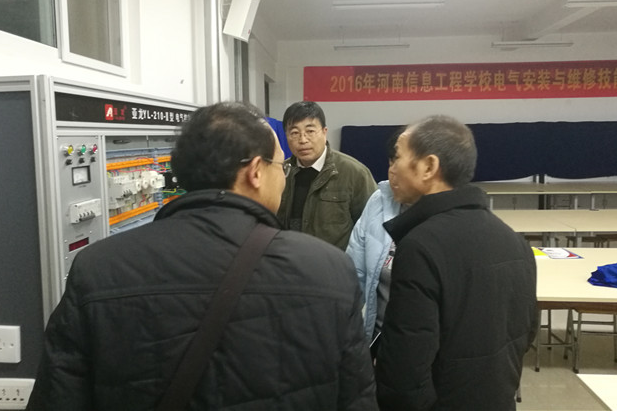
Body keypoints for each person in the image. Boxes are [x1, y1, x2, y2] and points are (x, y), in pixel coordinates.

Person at [28, 102, 376, 411]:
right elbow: (355, 398)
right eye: (278, 166)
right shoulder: (329, 271)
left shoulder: (97, 268)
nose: (283, 179)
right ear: (256, 172)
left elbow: (59, 396)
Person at [375, 115, 538, 411]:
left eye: (397, 157)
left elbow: (404, 369)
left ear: (429, 167)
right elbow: (525, 334)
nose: (392, 168)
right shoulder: (514, 241)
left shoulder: (421, 246)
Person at [277, 101, 377, 250]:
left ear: (324, 132)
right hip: (289, 260)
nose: (303, 140)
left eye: (310, 131)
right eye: (294, 133)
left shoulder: (354, 173)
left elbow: (372, 229)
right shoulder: (280, 172)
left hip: (335, 262)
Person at [346, 127, 407, 350]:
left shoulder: (444, 217)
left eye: (401, 161)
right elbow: (355, 274)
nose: (393, 170)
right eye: (391, 161)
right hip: (377, 338)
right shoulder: (378, 201)